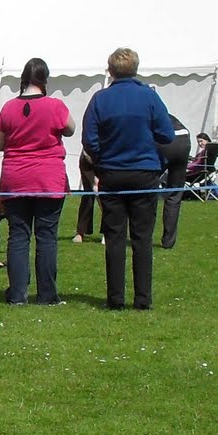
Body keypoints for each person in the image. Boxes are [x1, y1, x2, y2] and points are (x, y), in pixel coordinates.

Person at [82, 46, 174, 311]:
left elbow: (89, 139)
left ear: (110, 71)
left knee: (114, 237)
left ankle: (116, 299)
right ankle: (143, 299)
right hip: (144, 173)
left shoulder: (100, 99)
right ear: (136, 68)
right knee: (142, 238)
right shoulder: (149, 97)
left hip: (111, 173)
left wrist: (101, 158)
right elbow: (167, 134)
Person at [0, 58, 75, 304]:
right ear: (45, 80)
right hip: (48, 178)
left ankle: (17, 294)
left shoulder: (8, 108)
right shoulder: (55, 106)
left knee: (18, 235)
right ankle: (47, 294)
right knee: (46, 236)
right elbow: (70, 129)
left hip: (16, 177)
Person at [158, 113, 192, 250]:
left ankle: (143, 237)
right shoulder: (163, 111)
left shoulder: (143, 112)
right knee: (174, 194)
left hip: (166, 141)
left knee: (146, 190)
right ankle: (168, 241)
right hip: (184, 139)